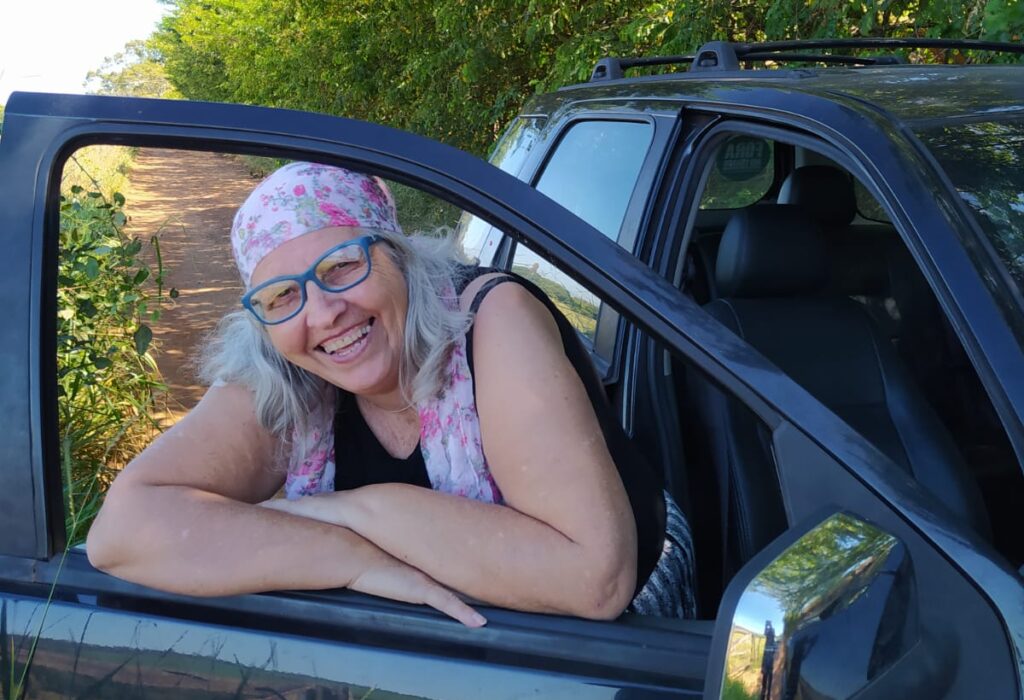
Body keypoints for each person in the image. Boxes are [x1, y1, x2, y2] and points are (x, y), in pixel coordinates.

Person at [86, 162, 695, 626]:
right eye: (282, 296)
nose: (322, 314)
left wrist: (355, 511)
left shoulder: (493, 318)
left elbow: (594, 580)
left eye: (341, 266)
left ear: (398, 255)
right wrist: (354, 558)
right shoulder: (282, 368)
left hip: (635, 638)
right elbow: (121, 532)